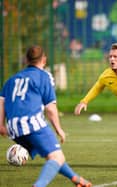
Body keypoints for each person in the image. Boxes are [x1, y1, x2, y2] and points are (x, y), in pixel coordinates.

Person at [0, 45, 92, 187]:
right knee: (57, 156)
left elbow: (1, 102)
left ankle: (77, 179)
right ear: (44, 60)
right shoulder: (44, 76)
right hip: (31, 123)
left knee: (53, 156)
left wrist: (1, 125)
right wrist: (59, 129)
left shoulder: (12, 79)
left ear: (26, 60)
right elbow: (50, 108)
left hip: (13, 128)